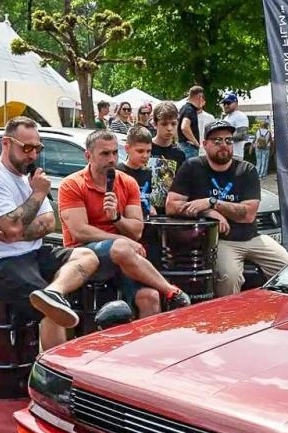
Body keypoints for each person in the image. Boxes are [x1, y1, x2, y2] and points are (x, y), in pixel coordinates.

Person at [0, 116, 100, 350]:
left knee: (87, 256)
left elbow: (47, 222)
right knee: (52, 313)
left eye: (37, 148)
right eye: (26, 147)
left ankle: (53, 293)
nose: (33, 155)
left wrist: (16, 232)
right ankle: (52, 375)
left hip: (29, 252)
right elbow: (14, 226)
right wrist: (36, 196)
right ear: (6, 143)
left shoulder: (30, 178)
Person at [58, 129, 191, 319]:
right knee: (121, 246)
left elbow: (136, 230)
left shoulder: (128, 182)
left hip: (126, 257)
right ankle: (172, 291)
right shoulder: (71, 184)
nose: (112, 159)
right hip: (85, 256)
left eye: (114, 152)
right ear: (88, 156)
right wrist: (122, 239)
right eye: (105, 154)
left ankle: (149, 347)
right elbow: (80, 232)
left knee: (150, 297)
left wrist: (117, 218)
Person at [167, 119, 288, 297]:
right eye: (217, 141)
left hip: (253, 238)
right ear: (204, 144)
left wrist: (213, 202)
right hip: (222, 241)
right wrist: (208, 212)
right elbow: (171, 205)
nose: (224, 145)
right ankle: (226, 320)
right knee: (229, 276)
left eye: (228, 140)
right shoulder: (192, 167)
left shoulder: (246, 170)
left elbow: (248, 215)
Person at [178, 85, 209, 153]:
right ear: (199, 97)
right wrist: (196, 143)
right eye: (202, 97)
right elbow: (184, 127)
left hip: (183, 146)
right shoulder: (190, 110)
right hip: (189, 148)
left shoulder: (183, 108)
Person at [219, 92, 249, 160]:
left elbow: (242, 134)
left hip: (235, 155)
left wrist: (223, 138)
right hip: (225, 154)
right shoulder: (226, 118)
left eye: (228, 103)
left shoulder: (240, 116)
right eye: (224, 103)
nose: (226, 105)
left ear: (236, 103)